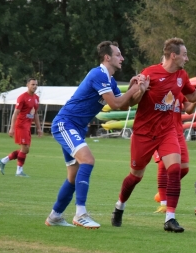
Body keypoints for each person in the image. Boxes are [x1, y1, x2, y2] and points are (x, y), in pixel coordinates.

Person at [44, 41, 148, 229]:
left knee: (73, 178)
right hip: (65, 124)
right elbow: (116, 104)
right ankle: (80, 214)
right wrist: (133, 89)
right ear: (107, 57)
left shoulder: (110, 80)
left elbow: (125, 104)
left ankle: (55, 216)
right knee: (88, 161)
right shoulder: (98, 74)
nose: (122, 58)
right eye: (118, 55)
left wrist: (140, 89)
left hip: (75, 128)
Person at [111, 37, 196, 233]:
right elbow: (130, 103)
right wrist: (141, 90)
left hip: (167, 131)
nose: (187, 59)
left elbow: (192, 97)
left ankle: (170, 218)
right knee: (135, 176)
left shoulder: (182, 75)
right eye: (184, 55)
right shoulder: (150, 73)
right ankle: (119, 206)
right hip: (144, 133)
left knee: (175, 169)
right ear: (174, 55)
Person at [153, 92, 196, 213]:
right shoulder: (161, 87)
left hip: (177, 132)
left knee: (184, 168)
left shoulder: (179, 89)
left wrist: (195, 101)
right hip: (161, 131)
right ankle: (164, 203)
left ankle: (165, 190)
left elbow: (188, 109)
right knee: (163, 165)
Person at [0, 78, 43, 177]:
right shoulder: (22, 97)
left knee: (25, 149)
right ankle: (19, 171)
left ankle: (3, 161)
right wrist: (12, 128)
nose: (34, 86)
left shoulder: (36, 98)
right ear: (27, 85)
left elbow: (35, 114)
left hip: (27, 126)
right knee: (24, 148)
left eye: (36, 84)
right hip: (21, 126)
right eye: (32, 84)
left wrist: (39, 128)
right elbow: (15, 113)